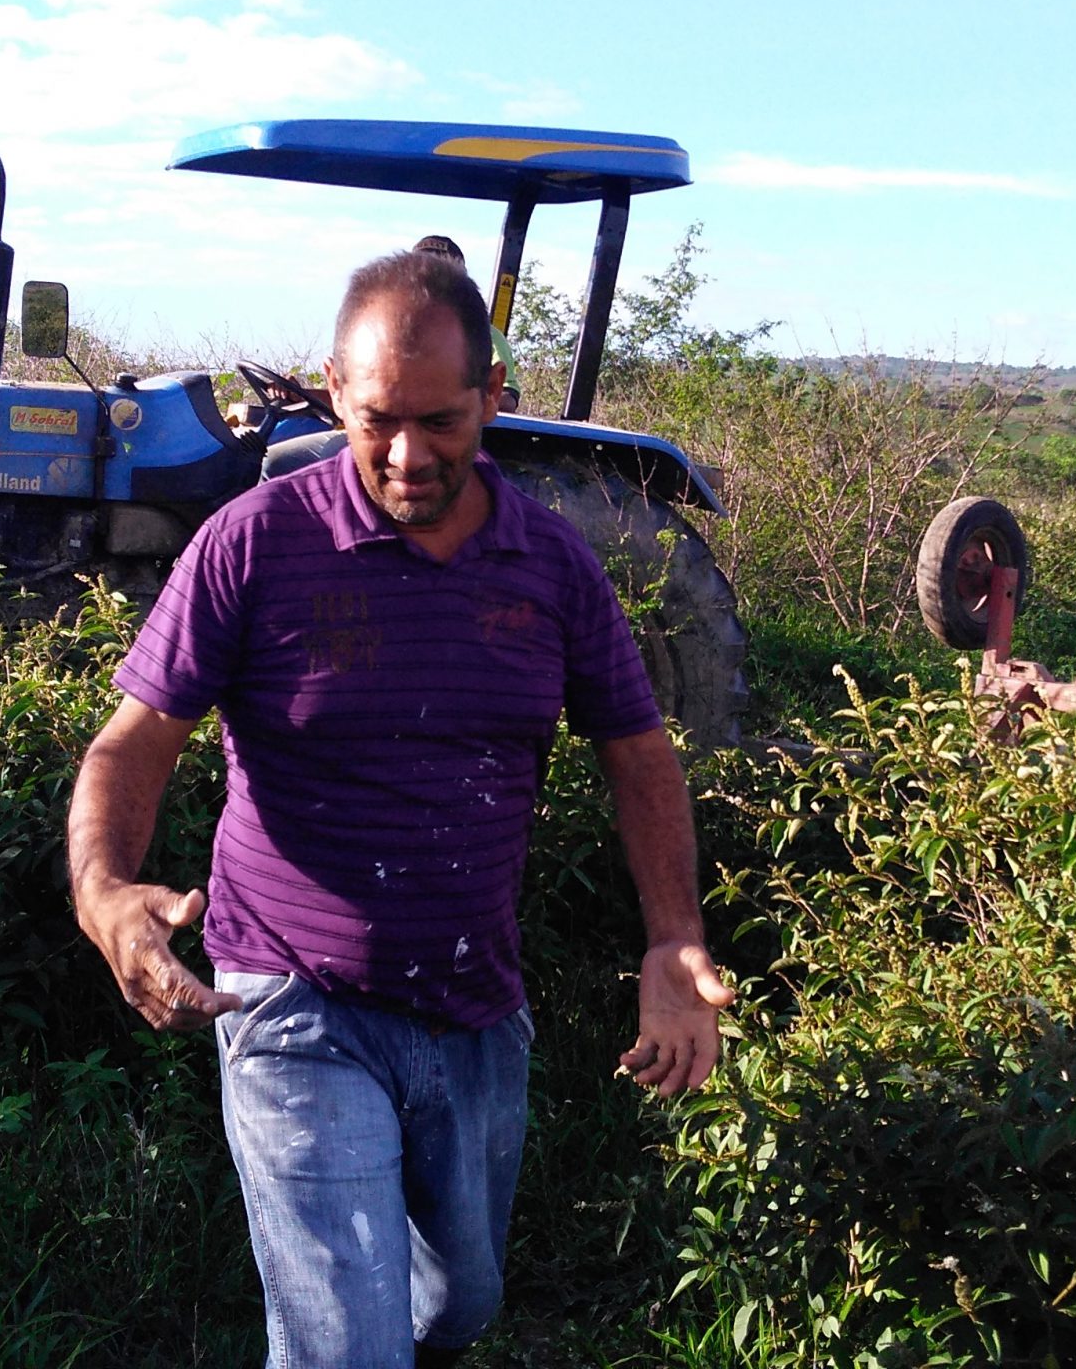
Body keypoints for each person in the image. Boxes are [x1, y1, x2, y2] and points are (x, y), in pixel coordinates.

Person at [67, 248, 733, 1368]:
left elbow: (638, 753)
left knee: (458, 1304)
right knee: (345, 1350)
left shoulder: (554, 567)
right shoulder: (254, 543)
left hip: (473, 1007)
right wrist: (102, 890)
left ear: (492, 398)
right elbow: (131, 744)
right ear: (333, 390)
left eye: (441, 421)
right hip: (292, 1001)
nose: (409, 456)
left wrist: (673, 937)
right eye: (378, 420)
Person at [411, 234, 521, 413]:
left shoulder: (485, 336)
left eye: (442, 276)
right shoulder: (389, 333)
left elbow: (507, 398)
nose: (431, 286)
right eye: (422, 275)